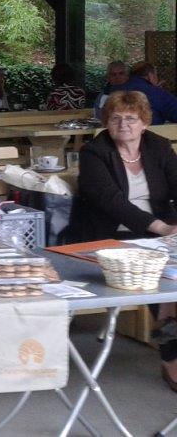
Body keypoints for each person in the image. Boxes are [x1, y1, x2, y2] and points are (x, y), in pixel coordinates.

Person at [62, 90, 177, 391]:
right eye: (115, 118)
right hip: (112, 236)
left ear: (144, 122)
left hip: (159, 234)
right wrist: (162, 228)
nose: (123, 124)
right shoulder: (94, 152)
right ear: (106, 122)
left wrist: (173, 227)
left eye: (131, 118)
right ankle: (172, 359)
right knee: (166, 282)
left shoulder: (159, 147)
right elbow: (112, 202)